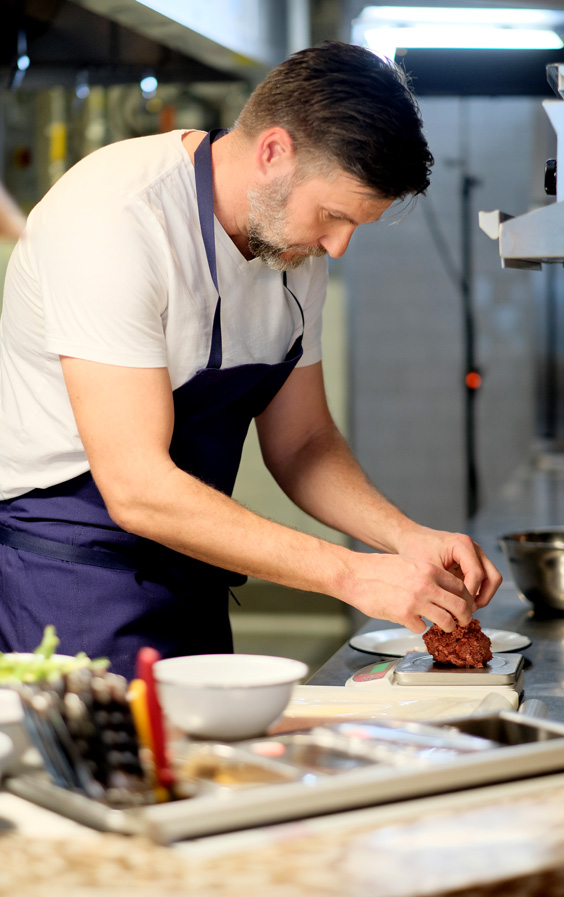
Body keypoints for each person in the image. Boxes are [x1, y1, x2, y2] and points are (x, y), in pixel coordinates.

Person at [0, 41, 501, 680]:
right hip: (70, 580)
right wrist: (350, 573)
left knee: (208, 774)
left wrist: (404, 537)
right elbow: (136, 488)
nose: (338, 246)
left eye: (355, 227)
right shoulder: (113, 220)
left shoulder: (292, 247)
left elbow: (304, 443)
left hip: (194, 567)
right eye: (333, 217)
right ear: (273, 152)